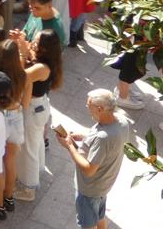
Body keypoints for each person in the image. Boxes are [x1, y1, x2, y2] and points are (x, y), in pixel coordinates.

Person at [56, 89, 130, 229]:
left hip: (90, 190)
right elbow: (108, 144)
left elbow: (89, 170)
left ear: (100, 108)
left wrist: (69, 146)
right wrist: (85, 137)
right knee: (100, 216)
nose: (87, 108)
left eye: (88, 105)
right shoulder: (122, 122)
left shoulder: (102, 138)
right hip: (103, 185)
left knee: (88, 224)